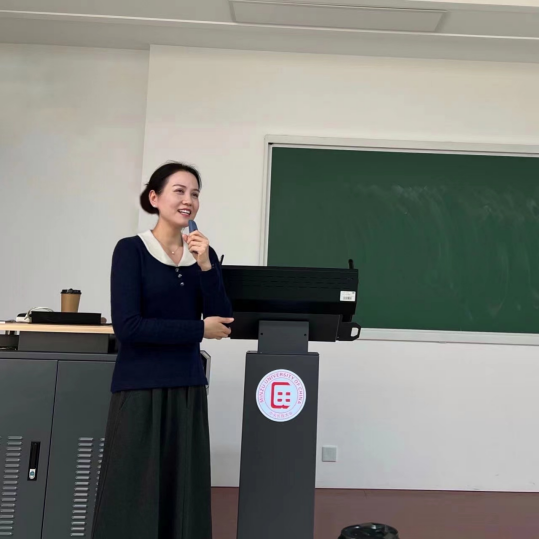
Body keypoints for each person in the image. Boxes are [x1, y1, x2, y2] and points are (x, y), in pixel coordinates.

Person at [92, 162, 233, 539]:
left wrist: (207, 266)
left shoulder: (203, 254)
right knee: (132, 495)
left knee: (182, 497)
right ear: (154, 198)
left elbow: (222, 321)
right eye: (179, 191)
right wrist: (197, 329)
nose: (189, 200)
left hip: (187, 388)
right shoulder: (131, 251)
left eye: (195, 193)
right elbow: (129, 327)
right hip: (139, 389)